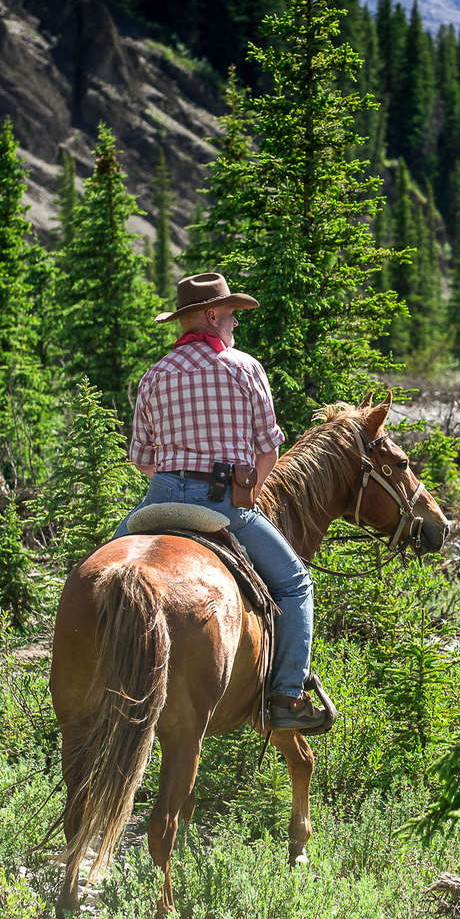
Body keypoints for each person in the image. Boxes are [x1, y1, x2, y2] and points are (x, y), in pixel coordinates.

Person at [115, 272, 327, 732]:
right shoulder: (245, 368)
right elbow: (268, 449)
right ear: (212, 316)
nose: (235, 324)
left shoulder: (153, 376)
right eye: (231, 315)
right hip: (223, 505)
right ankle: (286, 695)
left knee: (99, 571)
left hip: (161, 498)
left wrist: (176, 476)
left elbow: (142, 461)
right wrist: (247, 494)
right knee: (295, 584)